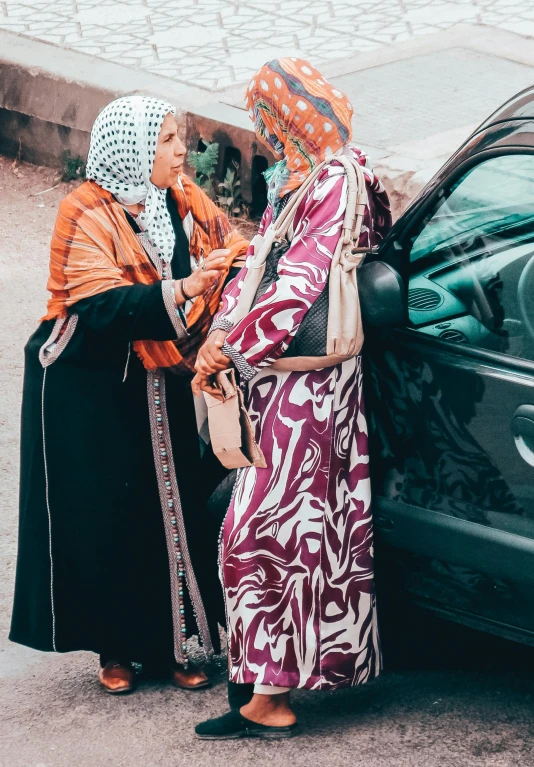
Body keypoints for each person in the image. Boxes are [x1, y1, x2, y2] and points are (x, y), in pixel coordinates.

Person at [9, 96, 248, 695]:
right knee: (106, 515)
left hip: (157, 371)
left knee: (171, 507)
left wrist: (223, 282)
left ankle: (180, 645)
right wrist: (186, 286)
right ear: (135, 150)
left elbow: (233, 246)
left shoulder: (179, 197)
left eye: (178, 139)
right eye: (167, 140)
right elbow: (99, 306)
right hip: (86, 387)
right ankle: (114, 648)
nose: (179, 151)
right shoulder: (83, 211)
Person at [192, 58, 392, 739]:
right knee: (294, 533)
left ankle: (270, 693)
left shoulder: (333, 180)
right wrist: (223, 334)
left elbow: (295, 284)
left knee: (266, 530)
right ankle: (265, 689)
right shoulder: (307, 178)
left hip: (310, 387)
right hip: (291, 380)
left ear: (289, 119)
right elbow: (257, 264)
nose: (268, 137)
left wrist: (232, 344)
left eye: (269, 123)